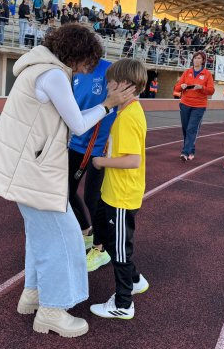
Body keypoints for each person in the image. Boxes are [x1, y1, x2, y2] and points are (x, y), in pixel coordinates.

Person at [0, 24, 136, 338]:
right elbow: (77, 125)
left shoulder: (38, 68)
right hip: (36, 173)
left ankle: (32, 296)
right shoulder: (54, 76)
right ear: (76, 55)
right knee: (66, 240)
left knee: (41, 238)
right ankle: (53, 311)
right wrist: (108, 105)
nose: (90, 68)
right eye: (88, 61)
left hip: (27, 169)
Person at [89, 58, 149, 320]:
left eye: (111, 82)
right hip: (111, 191)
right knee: (102, 230)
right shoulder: (124, 112)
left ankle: (124, 303)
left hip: (122, 195)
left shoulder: (128, 117)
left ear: (125, 85)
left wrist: (101, 161)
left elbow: (132, 160)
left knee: (122, 248)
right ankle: (134, 280)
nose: (107, 86)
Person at [67, 59, 116, 273]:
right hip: (77, 142)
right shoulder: (75, 72)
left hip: (100, 146)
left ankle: (101, 248)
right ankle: (87, 232)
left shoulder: (110, 69)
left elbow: (122, 101)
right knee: (65, 191)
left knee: (93, 198)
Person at [173, 51, 215, 161]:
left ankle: (185, 152)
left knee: (191, 129)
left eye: (199, 58)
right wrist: (181, 86)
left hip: (199, 106)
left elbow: (211, 91)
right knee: (185, 129)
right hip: (185, 104)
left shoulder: (207, 74)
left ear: (203, 61)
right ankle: (191, 149)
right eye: (195, 58)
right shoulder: (187, 72)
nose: (196, 60)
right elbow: (176, 88)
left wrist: (201, 88)